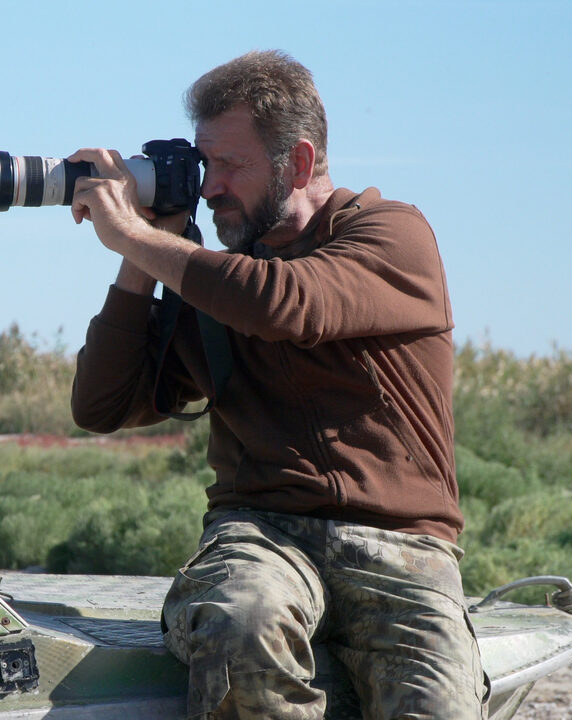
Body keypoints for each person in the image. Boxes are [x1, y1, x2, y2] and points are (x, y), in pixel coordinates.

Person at [67, 50, 489, 719]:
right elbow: (101, 406)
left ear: (295, 163)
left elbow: (288, 305)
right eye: (206, 167)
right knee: (243, 623)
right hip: (260, 536)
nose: (210, 188)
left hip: (402, 544)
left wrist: (127, 234)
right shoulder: (214, 285)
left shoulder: (387, 236)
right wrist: (141, 257)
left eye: (229, 166)